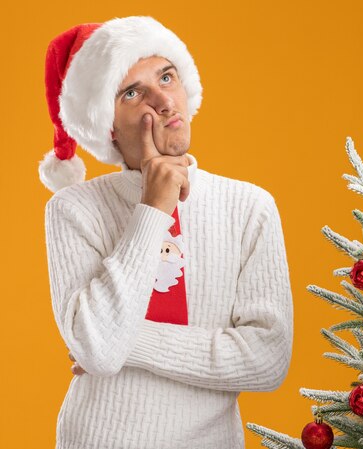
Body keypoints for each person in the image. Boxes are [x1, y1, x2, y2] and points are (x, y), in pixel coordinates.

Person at [39, 16, 293, 449]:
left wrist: (122, 344)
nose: (163, 100)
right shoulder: (73, 209)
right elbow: (96, 349)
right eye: (132, 92)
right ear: (109, 126)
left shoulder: (250, 207)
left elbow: (266, 361)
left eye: (167, 76)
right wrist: (153, 207)